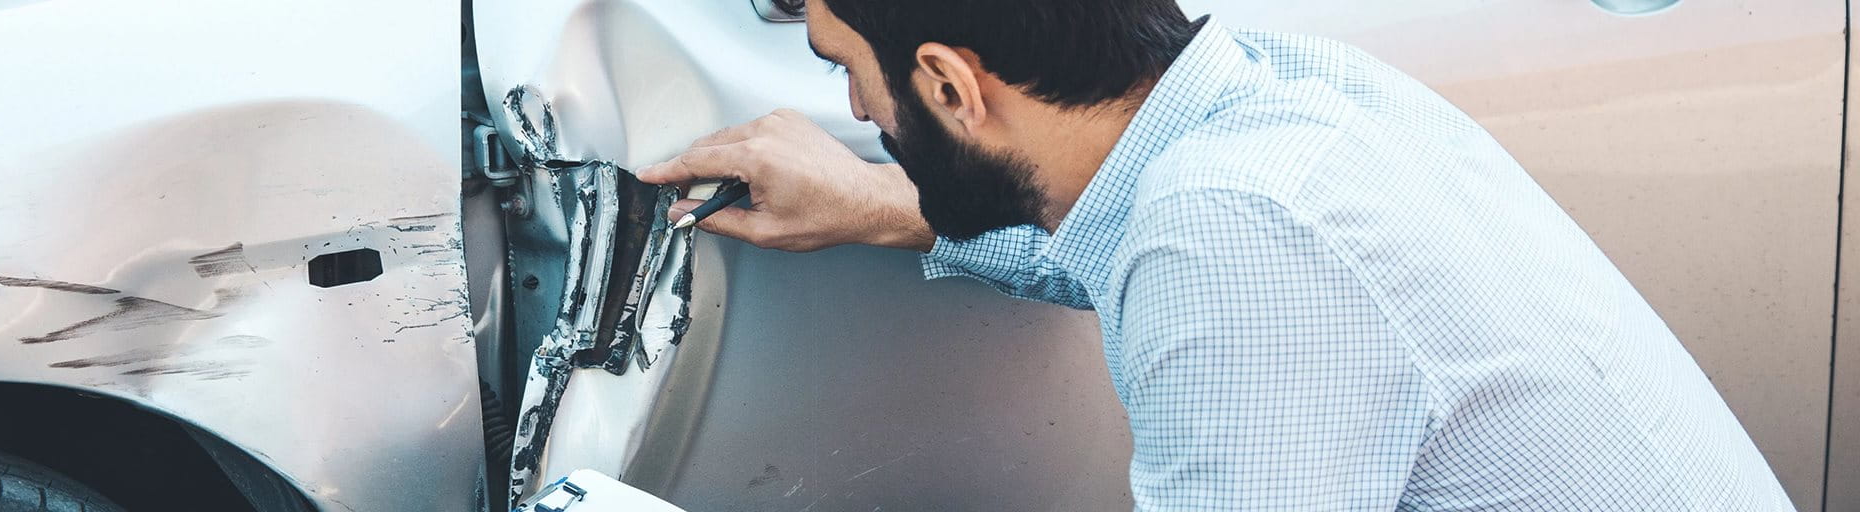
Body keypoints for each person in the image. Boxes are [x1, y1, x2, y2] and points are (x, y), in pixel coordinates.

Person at [635, 0, 1797, 509]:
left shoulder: (1232, 242)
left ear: (947, 82)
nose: (854, 105)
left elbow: (1220, 257)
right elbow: (1122, 230)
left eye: (848, 69)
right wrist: (881, 202)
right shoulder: (1276, 95)